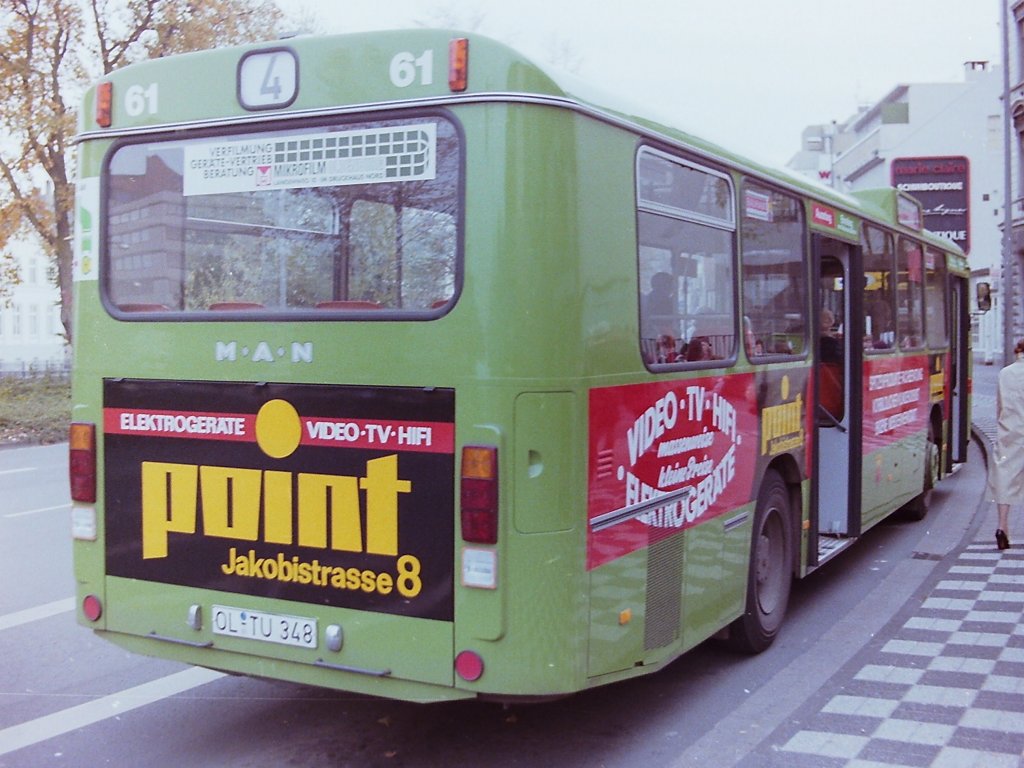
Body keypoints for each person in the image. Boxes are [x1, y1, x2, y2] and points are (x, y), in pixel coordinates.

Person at [987, 339, 1024, 550]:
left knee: (1005, 478)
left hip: (1010, 432)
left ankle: (1002, 526)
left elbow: (1000, 405)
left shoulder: (1005, 373)